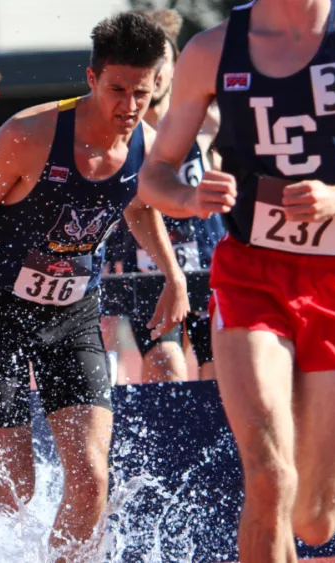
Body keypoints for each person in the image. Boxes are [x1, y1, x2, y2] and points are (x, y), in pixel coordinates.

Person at [0, 13, 189, 559]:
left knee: (92, 476)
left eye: (142, 92)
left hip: (73, 318)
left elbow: (139, 205)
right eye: (117, 90)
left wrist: (173, 274)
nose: (128, 106)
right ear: (91, 80)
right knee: (14, 490)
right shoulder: (30, 134)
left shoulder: (147, 144)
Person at [138, 0, 335, 559]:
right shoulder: (213, 50)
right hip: (251, 277)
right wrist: (190, 198)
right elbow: (154, 175)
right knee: (269, 475)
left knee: (316, 518)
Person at [105, 9, 226, 383]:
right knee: (166, 367)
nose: (153, 76)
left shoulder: (208, 120)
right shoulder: (121, 131)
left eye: (160, 64)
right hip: (148, 269)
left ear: (174, 66)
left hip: (207, 266)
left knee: (217, 373)